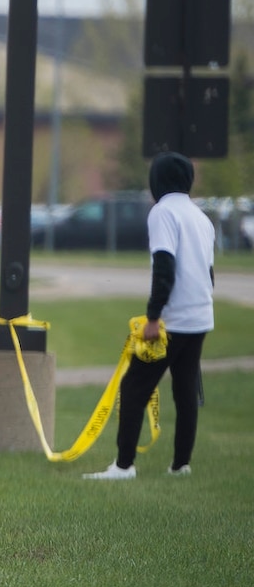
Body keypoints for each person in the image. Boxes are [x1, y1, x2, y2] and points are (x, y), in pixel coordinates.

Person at [87, 152, 214, 479]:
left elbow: (164, 266)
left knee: (133, 388)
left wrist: (154, 317)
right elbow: (209, 273)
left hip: (172, 320)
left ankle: (124, 465)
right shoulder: (201, 217)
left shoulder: (162, 213)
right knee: (185, 390)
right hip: (201, 316)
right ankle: (180, 464)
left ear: (157, 180)